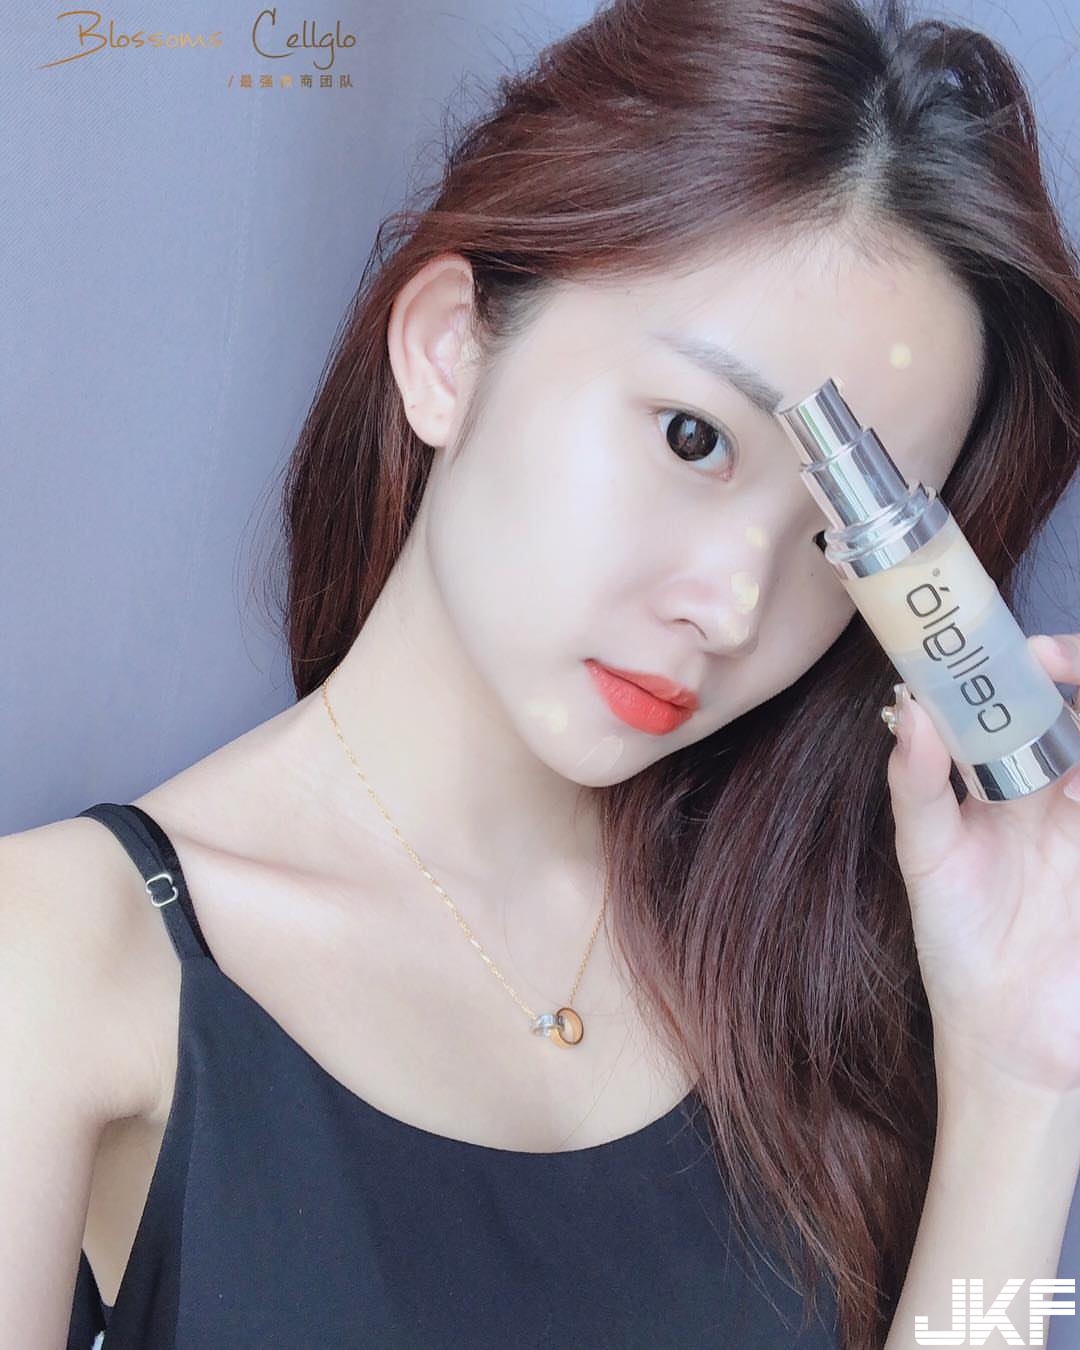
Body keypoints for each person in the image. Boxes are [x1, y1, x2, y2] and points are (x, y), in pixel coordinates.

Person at [4, 0, 1080, 1346]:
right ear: (449, 348)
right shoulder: (57, 957)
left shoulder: (813, 982)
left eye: (835, 539)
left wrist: (1025, 1076)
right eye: (693, 437)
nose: (733, 605)